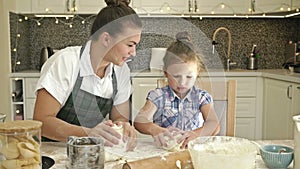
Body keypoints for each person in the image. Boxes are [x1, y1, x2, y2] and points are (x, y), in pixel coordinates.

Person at [33, 0, 142, 151]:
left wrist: (123, 126)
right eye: (130, 45)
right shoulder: (66, 62)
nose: (133, 53)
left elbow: (119, 117)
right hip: (53, 151)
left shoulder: (120, 71)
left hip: (89, 151)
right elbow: (41, 122)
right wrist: (87, 133)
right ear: (106, 39)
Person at [134, 31, 220, 149]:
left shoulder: (201, 97)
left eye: (189, 77)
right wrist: (155, 130)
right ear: (166, 73)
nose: (182, 82)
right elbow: (139, 121)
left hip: (192, 151)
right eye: (176, 76)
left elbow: (214, 124)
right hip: (164, 151)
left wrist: (196, 134)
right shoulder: (158, 96)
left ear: (197, 73)